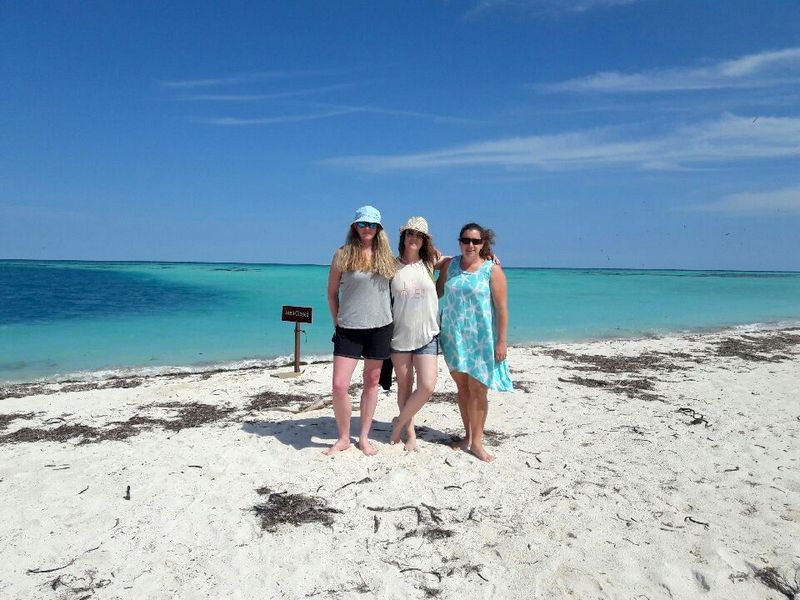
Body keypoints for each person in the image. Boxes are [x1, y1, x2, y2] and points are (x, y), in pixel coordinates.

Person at [436, 222, 512, 462]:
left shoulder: (492, 270)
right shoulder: (451, 265)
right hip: (453, 336)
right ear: (459, 241)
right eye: (466, 240)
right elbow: (436, 292)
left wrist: (501, 341)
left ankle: (477, 443)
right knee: (462, 388)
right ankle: (468, 437)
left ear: (483, 244)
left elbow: (501, 309)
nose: (470, 245)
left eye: (476, 241)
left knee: (478, 390)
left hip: (480, 339)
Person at [326, 206, 396, 456]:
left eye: (373, 225)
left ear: (379, 229)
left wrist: (489, 258)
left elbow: (420, 263)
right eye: (363, 224)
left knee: (372, 382)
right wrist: (337, 322)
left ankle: (363, 436)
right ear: (354, 226)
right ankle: (344, 437)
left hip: (380, 327)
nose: (368, 228)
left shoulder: (388, 257)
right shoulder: (342, 254)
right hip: (348, 328)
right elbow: (332, 293)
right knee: (339, 385)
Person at [388, 216, 441, 451]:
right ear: (403, 236)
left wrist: (487, 256)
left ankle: (398, 421)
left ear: (424, 241)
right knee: (404, 386)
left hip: (428, 336)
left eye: (419, 235)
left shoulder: (430, 264)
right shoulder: (390, 265)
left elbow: (461, 260)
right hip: (399, 337)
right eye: (410, 233)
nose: (414, 238)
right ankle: (410, 434)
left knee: (427, 385)